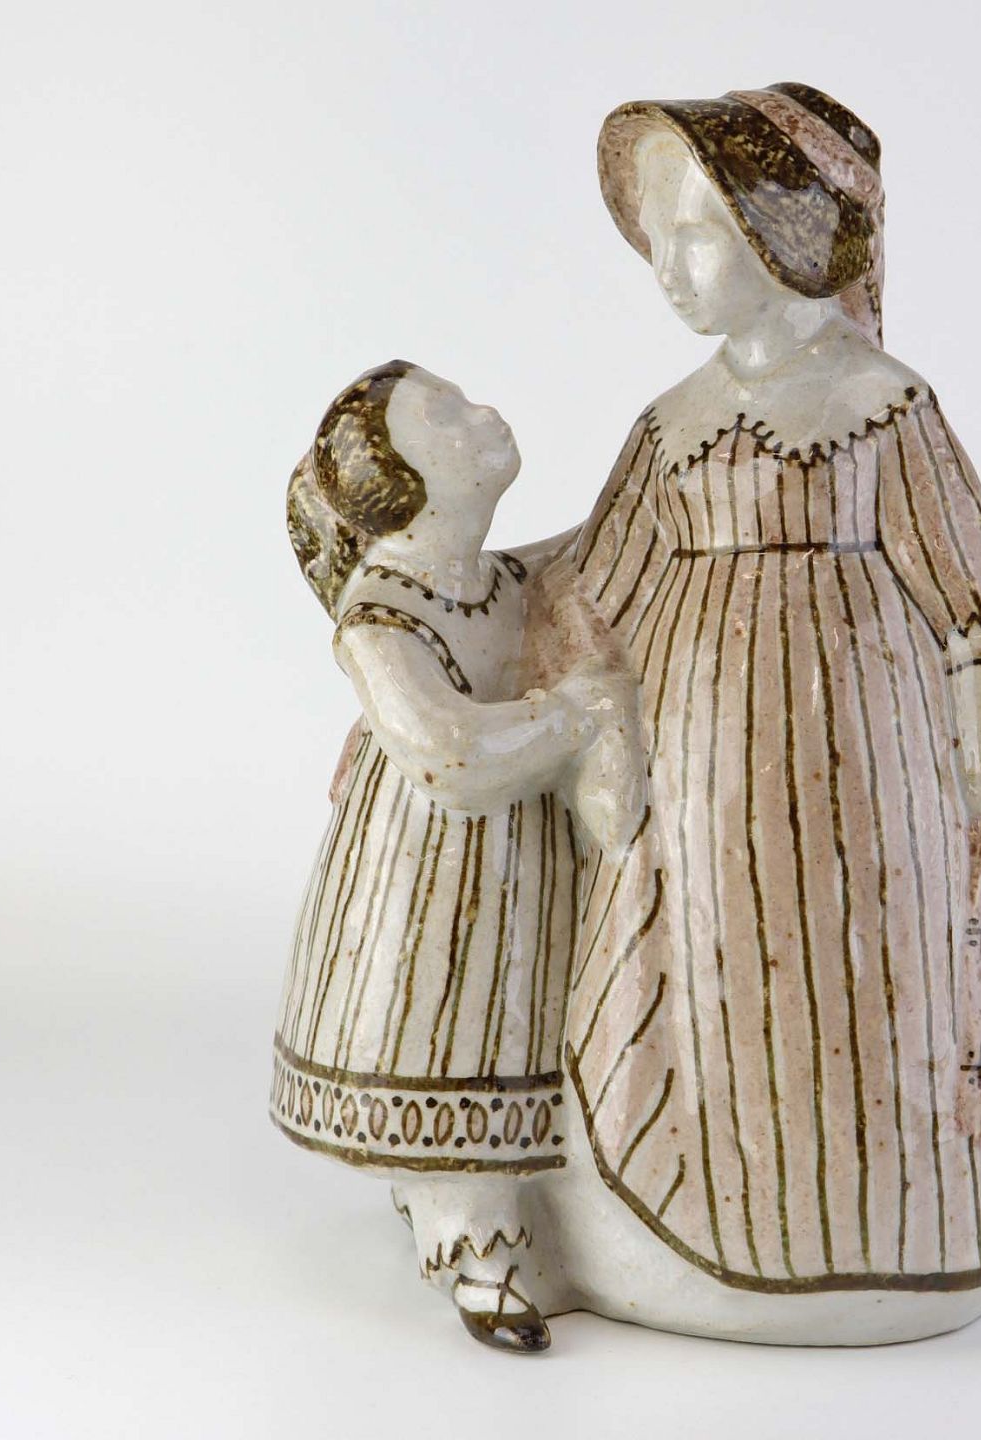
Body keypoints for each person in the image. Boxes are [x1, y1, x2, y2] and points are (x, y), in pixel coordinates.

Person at [549, 84, 981, 1333]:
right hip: (700, 771)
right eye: (657, 238)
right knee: (712, 970)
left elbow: (973, 583)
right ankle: (708, 1222)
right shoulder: (671, 426)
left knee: (866, 965)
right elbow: (590, 587)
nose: (670, 269)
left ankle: (894, 1228)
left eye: (699, 232)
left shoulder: (884, 404)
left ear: (785, 231)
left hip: (868, 757)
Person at [272, 360, 642, 1351]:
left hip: (518, 870)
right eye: (445, 413)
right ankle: (475, 1251)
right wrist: (576, 715)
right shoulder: (380, 615)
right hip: (431, 880)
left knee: (513, 1044)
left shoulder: (498, 580)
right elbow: (450, 755)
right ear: (399, 480)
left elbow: (597, 545)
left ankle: (490, 1207)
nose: (482, 411)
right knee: (450, 1046)